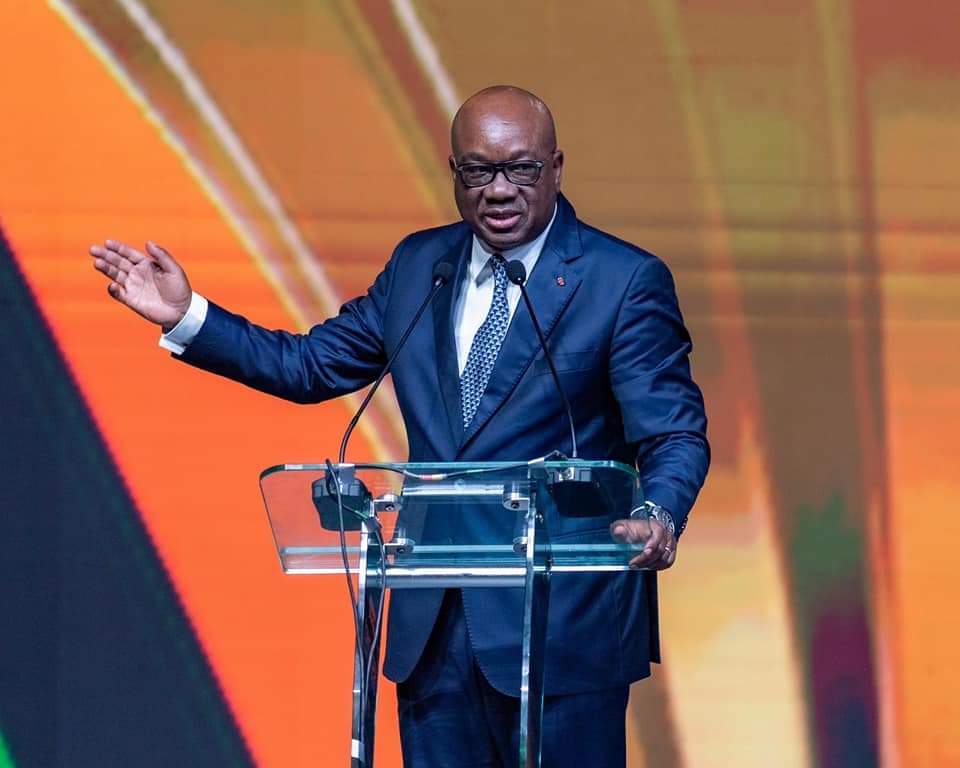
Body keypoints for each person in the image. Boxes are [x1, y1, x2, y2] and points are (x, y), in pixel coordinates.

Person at [90, 85, 709, 767]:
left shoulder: (622, 280)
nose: (499, 190)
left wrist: (658, 511)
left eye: (520, 169)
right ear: (454, 172)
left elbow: (673, 433)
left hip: (561, 624)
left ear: (556, 168)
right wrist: (187, 317)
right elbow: (308, 366)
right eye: (478, 170)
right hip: (433, 627)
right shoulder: (421, 266)